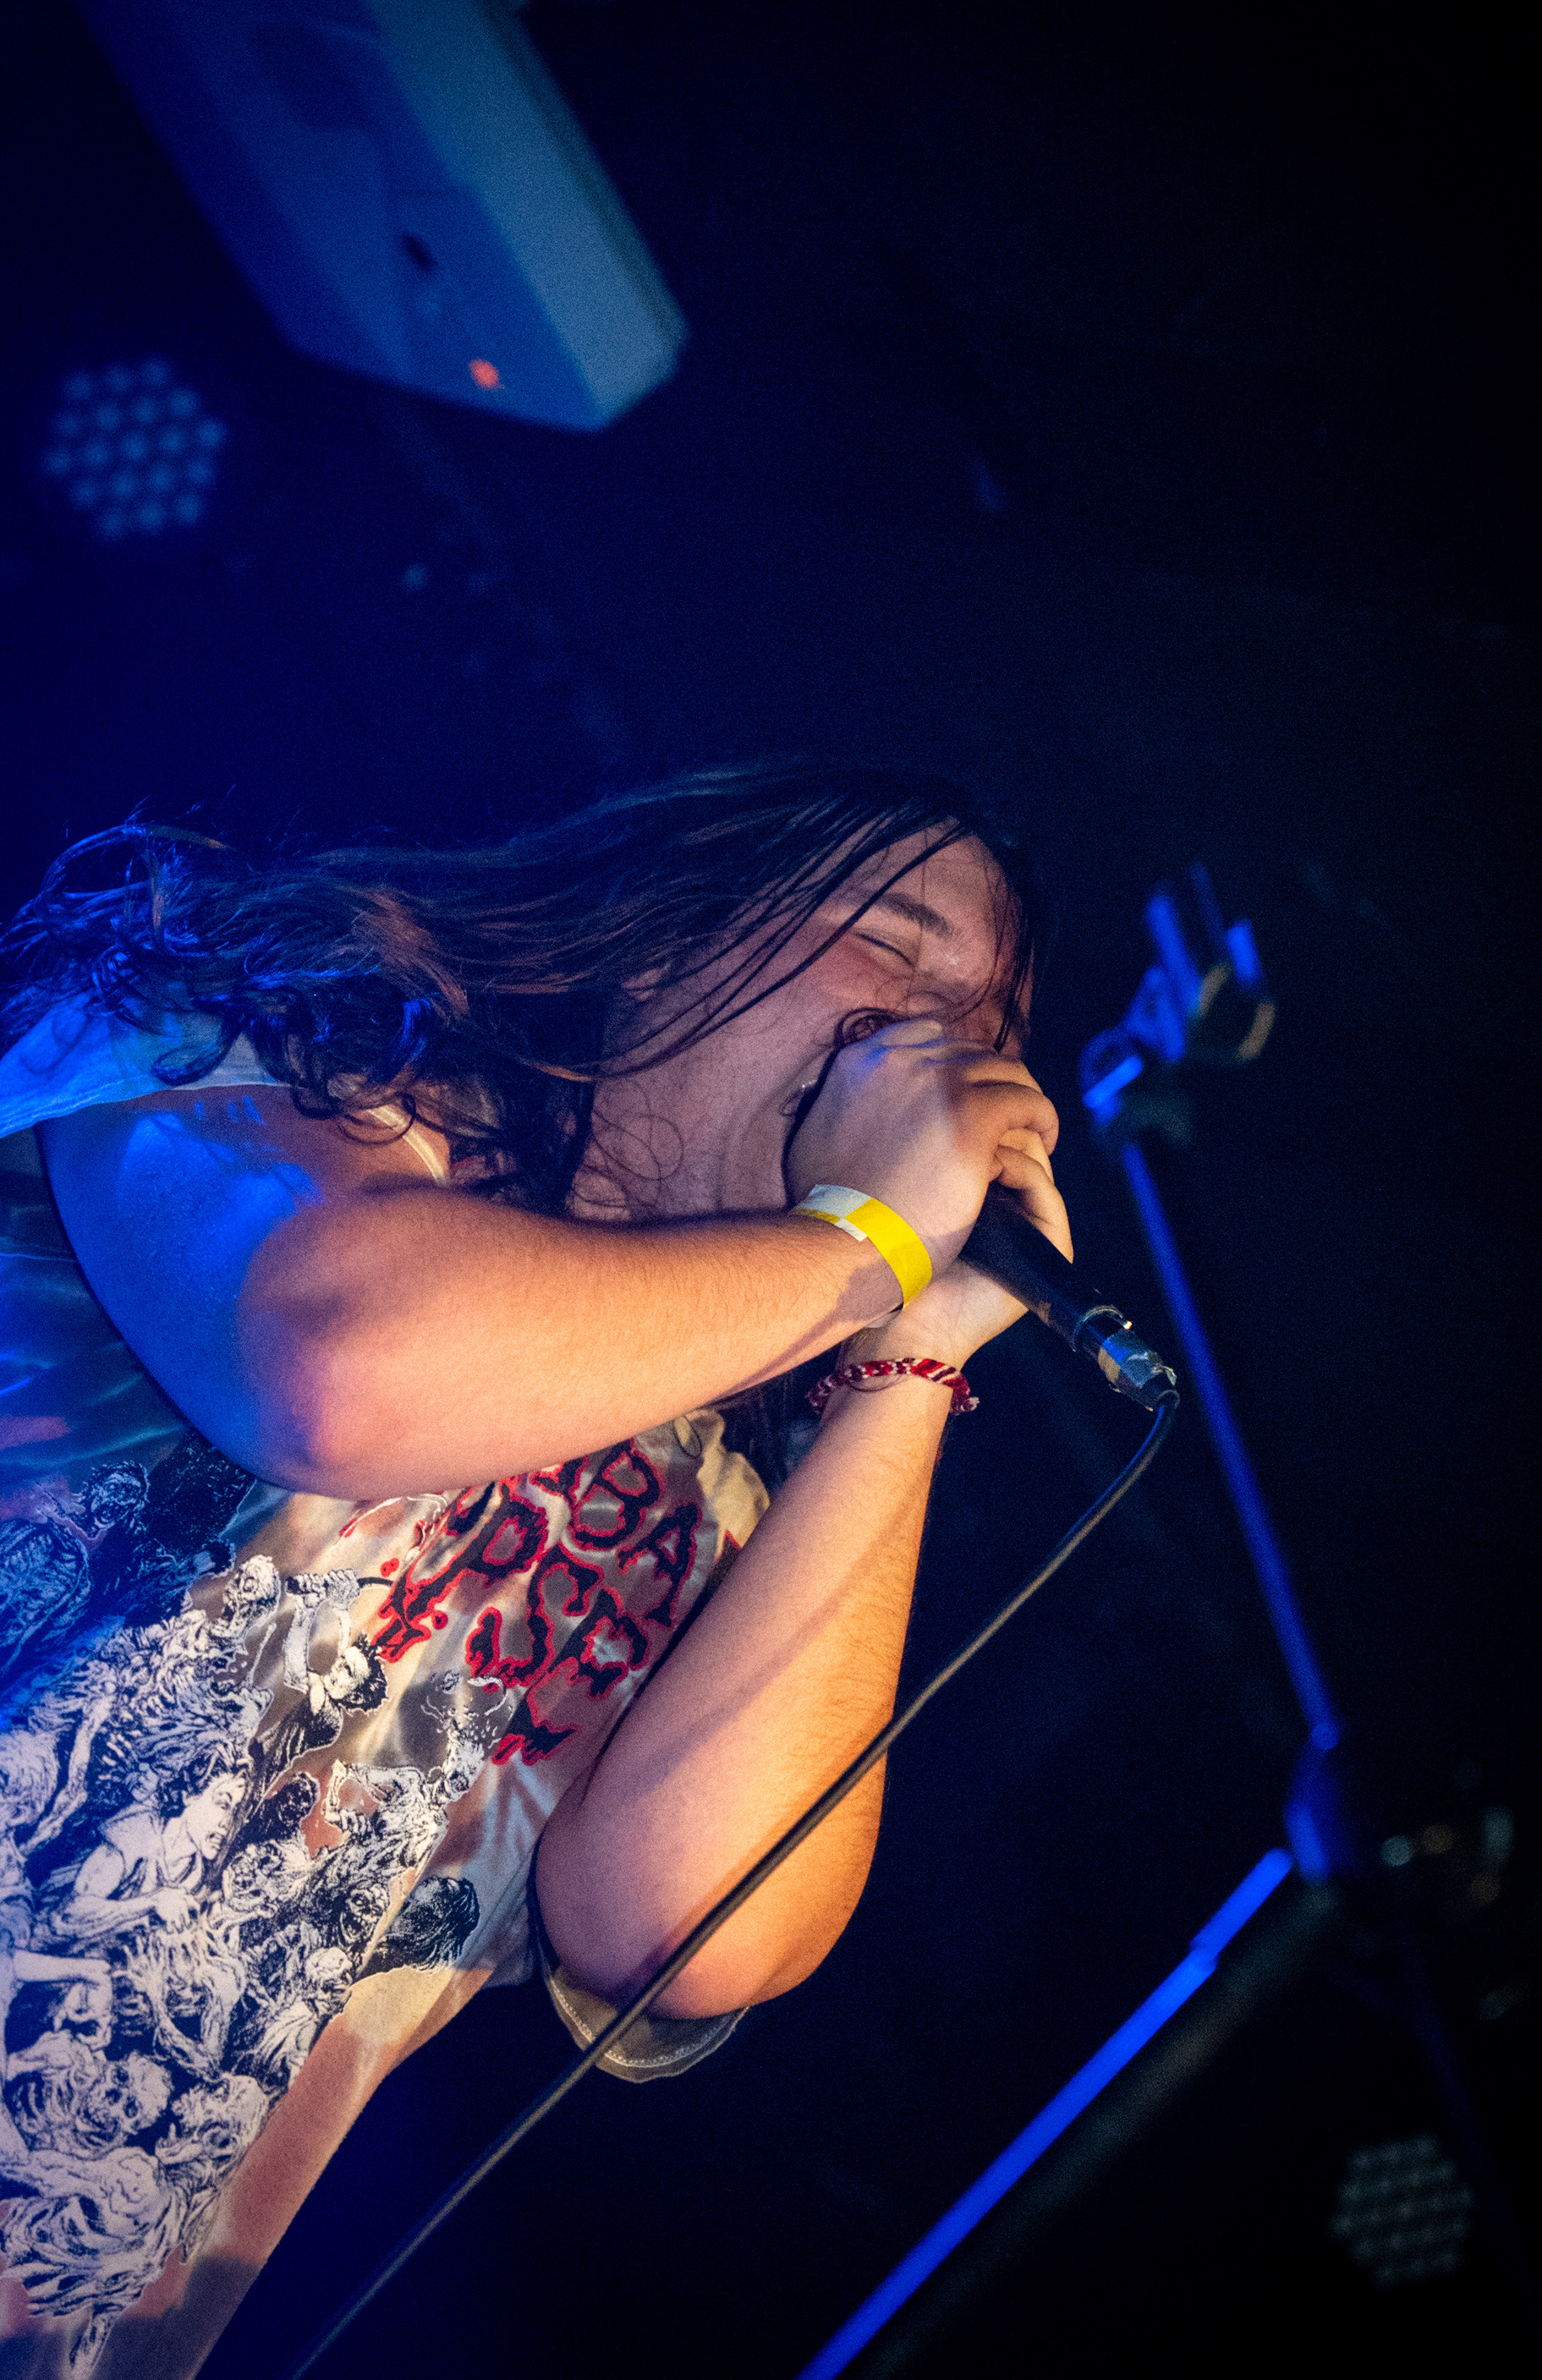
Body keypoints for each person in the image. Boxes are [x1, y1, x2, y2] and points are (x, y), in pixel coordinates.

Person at [0, 762, 1068, 2377]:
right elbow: (339, 1364)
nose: (937, 1053)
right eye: (894, 949)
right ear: (678, 923)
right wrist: (863, 1246)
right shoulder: (251, 1014)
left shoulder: (715, 1529)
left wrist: (900, 1369)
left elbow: (693, 1935)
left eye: (985, 1028)